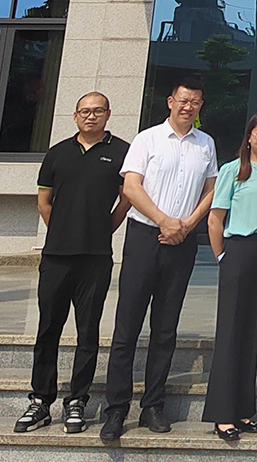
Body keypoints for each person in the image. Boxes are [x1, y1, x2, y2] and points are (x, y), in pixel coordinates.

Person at [100, 79, 219, 441]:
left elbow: (211, 190)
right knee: (127, 327)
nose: (188, 107)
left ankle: (153, 404)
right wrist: (164, 221)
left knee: (165, 329)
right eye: (183, 100)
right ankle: (116, 408)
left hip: (182, 240)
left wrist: (187, 225)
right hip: (145, 237)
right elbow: (131, 187)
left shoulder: (206, 144)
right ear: (170, 101)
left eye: (195, 102)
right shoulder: (147, 139)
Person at [16, 92, 130, 435]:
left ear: (108, 114)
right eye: (85, 111)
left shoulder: (122, 152)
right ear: (76, 116)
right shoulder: (57, 152)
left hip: (96, 259)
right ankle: (40, 400)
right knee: (48, 328)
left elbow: (126, 199)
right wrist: (64, 232)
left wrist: (102, 230)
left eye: (97, 111)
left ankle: (77, 400)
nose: (91, 116)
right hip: (56, 257)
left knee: (87, 332)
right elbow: (44, 201)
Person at [200, 111, 257, 440]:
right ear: (249, 137)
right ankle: (223, 414)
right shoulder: (232, 171)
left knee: (252, 331)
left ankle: (244, 409)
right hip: (238, 250)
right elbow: (215, 219)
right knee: (231, 329)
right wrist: (222, 256)